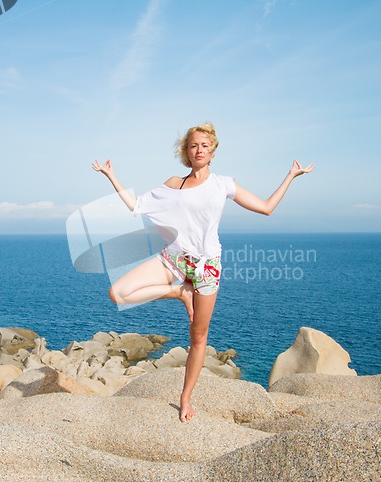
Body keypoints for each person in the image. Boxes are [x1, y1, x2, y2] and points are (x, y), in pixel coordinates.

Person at [92, 122, 314, 422]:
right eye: (194, 145)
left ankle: (185, 399)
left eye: (205, 146)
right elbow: (136, 205)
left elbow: (266, 208)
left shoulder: (224, 184)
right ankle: (177, 291)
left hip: (206, 268)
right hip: (173, 259)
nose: (199, 150)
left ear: (213, 151)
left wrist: (290, 176)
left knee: (198, 337)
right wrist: (111, 176)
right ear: (186, 150)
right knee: (117, 292)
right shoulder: (173, 184)